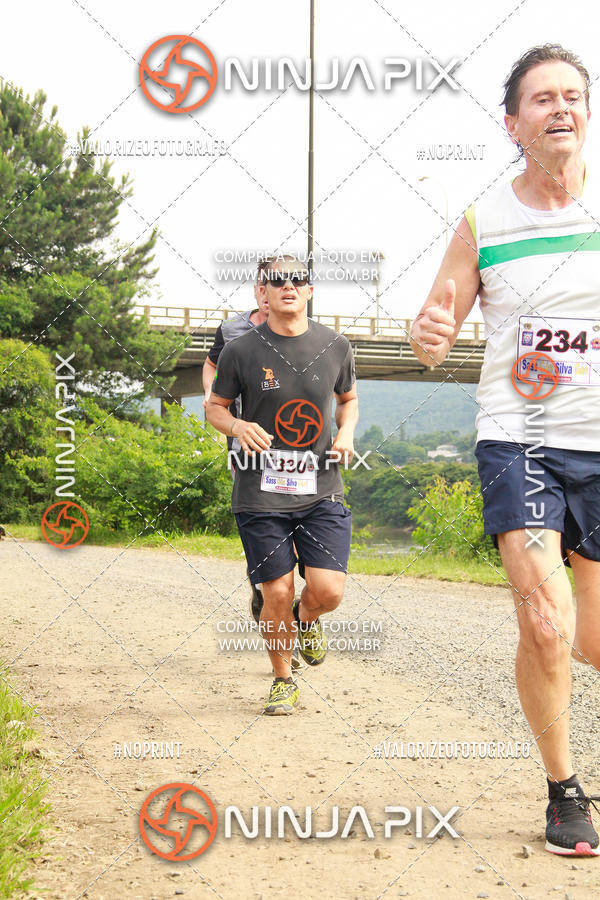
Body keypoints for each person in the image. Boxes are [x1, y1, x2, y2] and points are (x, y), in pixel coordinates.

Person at [410, 44, 600, 856]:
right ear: (513, 122)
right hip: (518, 441)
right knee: (547, 624)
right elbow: (435, 328)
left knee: (592, 638)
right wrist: (431, 333)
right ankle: (564, 792)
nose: (560, 108)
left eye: (573, 95)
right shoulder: (483, 220)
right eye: (542, 99)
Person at [206, 253, 358, 715]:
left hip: (320, 489)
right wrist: (235, 427)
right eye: (277, 281)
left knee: (328, 591)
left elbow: (348, 399)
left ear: (309, 290)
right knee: (275, 591)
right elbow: (215, 406)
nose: (288, 286)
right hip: (260, 492)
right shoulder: (241, 350)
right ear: (264, 293)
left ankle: (304, 621)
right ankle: (282, 679)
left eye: (298, 280)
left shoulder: (336, 346)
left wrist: (347, 432)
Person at [202, 269, 269, 624]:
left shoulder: (305, 332)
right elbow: (211, 363)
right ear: (259, 289)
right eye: (268, 284)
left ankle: (303, 602)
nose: (275, 291)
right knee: (259, 515)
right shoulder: (231, 330)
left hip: (297, 447)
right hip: (244, 442)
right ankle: (263, 589)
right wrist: (210, 396)